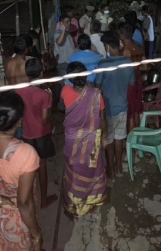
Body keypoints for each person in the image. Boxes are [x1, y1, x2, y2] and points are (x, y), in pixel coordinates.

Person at [0, 91, 42, 250]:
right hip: (14, 219)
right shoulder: (26, 154)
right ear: (19, 121)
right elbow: (24, 202)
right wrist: (36, 234)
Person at [61, 62, 108, 220]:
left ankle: (74, 205)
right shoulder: (96, 94)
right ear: (86, 75)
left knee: (75, 172)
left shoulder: (65, 91)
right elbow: (102, 118)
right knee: (91, 171)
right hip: (91, 141)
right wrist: (105, 136)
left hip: (72, 141)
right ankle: (91, 202)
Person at [16, 58, 57, 209]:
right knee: (42, 166)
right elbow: (45, 120)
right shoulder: (44, 94)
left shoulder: (18, 91)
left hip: (26, 133)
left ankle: (31, 198)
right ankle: (44, 200)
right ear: (41, 73)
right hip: (41, 134)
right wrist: (51, 100)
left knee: (29, 168)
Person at [95, 31, 135, 180]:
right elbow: (131, 83)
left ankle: (110, 171)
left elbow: (97, 87)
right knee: (119, 138)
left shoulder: (103, 64)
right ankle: (119, 167)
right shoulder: (128, 62)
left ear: (106, 46)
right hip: (122, 105)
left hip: (107, 108)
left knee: (108, 138)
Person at [118, 23, 146, 132]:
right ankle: (137, 138)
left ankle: (131, 141)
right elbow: (145, 67)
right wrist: (136, 67)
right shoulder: (139, 47)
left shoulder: (125, 51)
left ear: (122, 36)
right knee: (137, 110)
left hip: (129, 84)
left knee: (130, 113)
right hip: (138, 81)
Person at [54, 13, 75, 78]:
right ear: (61, 23)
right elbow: (59, 42)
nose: (69, 23)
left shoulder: (67, 33)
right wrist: (63, 28)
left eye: (69, 21)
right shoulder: (58, 33)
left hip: (70, 62)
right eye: (66, 22)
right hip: (63, 63)